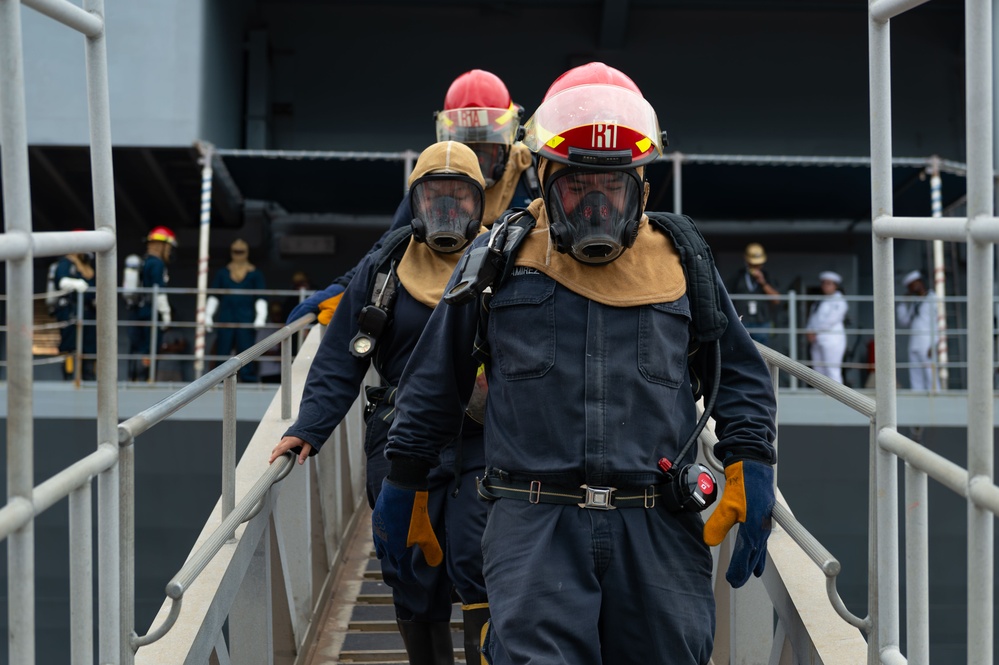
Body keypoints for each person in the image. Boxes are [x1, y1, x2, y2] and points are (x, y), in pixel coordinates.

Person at [371, 62, 777, 665]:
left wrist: (752, 460)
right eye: (576, 185)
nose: (595, 205)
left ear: (640, 186)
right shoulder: (497, 259)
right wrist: (402, 483)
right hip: (533, 524)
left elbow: (738, 376)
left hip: (656, 526)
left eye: (611, 187)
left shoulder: (681, 263)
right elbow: (434, 384)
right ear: (544, 176)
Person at [269, 141, 491, 665]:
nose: (447, 208)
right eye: (435, 195)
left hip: (483, 440)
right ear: (415, 201)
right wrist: (310, 426)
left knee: (483, 558)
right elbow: (339, 360)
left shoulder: (505, 260)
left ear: (479, 203)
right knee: (411, 571)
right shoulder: (385, 268)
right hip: (398, 439)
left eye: (460, 196)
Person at [286, 68, 540, 327]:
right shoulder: (433, 186)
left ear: (508, 141)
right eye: (466, 149)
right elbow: (388, 247)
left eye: (485, 151)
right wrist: (342, 290)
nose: (474, 164)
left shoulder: (533, 182)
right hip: (443, 307)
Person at [205, 239, 268, 382]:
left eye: (241, 252)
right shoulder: (223, 273)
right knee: (223, 348)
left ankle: (248, 379)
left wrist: (261, 316)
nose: (238, 255)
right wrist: (208, 315)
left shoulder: (255, 274)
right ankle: (219, 379)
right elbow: (215, 295)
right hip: (226, 316)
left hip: (246, 317)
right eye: (236, 252)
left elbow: (261, 296)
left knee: (246, 349)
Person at [125, 226, 176, 381]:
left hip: (138, 312)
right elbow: (158, 290)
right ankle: (146, 380)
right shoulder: (157, 264)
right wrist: (166, 314)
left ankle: (134, 380)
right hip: (151, 313)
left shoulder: (144, 261)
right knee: (150, 348)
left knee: (138, 348)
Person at [49, 249, 96, 380]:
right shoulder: (66, 262)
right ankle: (69, 378)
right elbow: (62, 281)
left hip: (88, 313)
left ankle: (89, 379)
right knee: (70, 347)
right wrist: (78, 284)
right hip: (70, 312)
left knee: (90, 348)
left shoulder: (87, 266)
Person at [728, 242, 780, 345]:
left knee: (763, 355)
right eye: (753, 264)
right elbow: (727, 298)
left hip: (762, 322)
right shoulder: (738, 277)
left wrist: (763, 283)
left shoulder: (767, 276)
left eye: (759, 264)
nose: (756, 266)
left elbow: (776, 299)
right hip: (742, 321)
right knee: (742, 350)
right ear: (746, 261)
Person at [896, 270, 939, 391]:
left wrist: (935, 343)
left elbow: (939, 323)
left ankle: (936, 399)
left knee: (930, 374)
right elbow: (904, 321)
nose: (911, 289)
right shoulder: (915, 302)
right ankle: (917, 397)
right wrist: (903, 303)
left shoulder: (933, 298)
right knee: (915, 375)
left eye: (912, 285)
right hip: (914, 342)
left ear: (919, 283)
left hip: (928, 342)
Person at [805, 270, 848, 384]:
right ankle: (821, 397)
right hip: (817, 339)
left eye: (829, 284)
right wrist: (809, 330)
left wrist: (814, 331)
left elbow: (832, 320)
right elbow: (812, 318)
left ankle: (836, 399)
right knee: (818, 371)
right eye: (824, 283)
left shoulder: (839, 301)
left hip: (832, 339)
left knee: (832, 370)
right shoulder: (819, 300)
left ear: (835, 286)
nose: (825, 286)